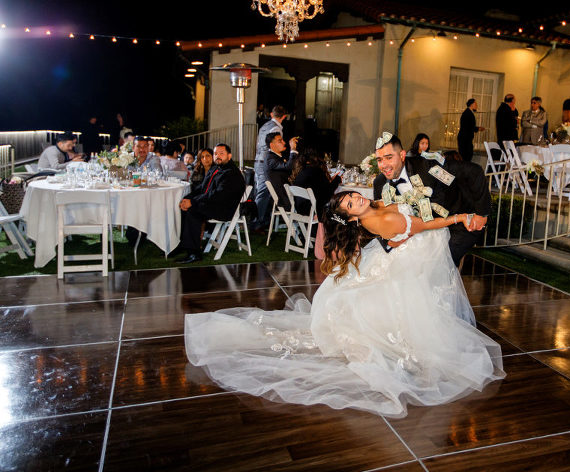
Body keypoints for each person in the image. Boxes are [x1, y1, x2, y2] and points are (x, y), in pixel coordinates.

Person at [184, 189, 504, 417]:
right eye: (351, 204)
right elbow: (422, 225)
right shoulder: (376, 223)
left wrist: (412, 197)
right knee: (399, 304)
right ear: (350, 216)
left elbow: (401, 207)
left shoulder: (374, 207)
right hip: (413, 251)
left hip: (410, 252)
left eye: (352, 195)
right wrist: (460, 217)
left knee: (415, 299)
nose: (357, 199)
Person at [372, 133, 490, 266]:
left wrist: (482, 213)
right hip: (421, 232)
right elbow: (377, 218)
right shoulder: (380, 183)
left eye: (389, 158)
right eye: (379, 160)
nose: (384, 165)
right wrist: (388, 242)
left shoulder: (428, 165)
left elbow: (474, 171)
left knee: (440, 265)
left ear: (402, 155)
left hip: (458, 222)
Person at [176, 143, 246, 263]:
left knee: (193, 210)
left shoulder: (231, 173)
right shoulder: (216, 168)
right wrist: (187, 198)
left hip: (225, 209)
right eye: (215, 153)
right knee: (184, 206)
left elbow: (218, 195)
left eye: (221, 153)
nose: (217, 156)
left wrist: (193, 202)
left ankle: (194, 253)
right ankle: (182, 244)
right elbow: (202, 188)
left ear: (229, 156)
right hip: (213, 203)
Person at [253, 105, 289, 230]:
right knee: (263, 193)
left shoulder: (264, 126)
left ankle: (261, 220)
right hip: (266, 162)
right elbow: (274, 147)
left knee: (261, 191)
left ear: (272, 115)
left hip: (259, 160)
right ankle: (257, 222)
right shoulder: (276, 129)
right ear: (284, 116)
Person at [289, 147, 342, 214]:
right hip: (314, 210)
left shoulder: (302, 170)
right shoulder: (316, 171)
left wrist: (330, 181)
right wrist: (337, 179)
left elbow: (319, 187)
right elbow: (328, 193)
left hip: (301, 209)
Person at [264, 132, 299, 210]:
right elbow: (289, 167)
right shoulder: (270, 159)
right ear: (272, 145)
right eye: (280, 141)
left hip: (287, 195)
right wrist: (293, 149)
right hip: (283, 199)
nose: (284, 143)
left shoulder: (277, 157)